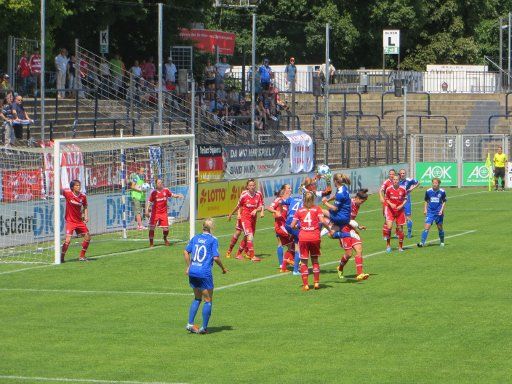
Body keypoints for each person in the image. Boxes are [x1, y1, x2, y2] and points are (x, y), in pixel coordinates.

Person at [184, 218, 227, 335]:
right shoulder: (213, 240)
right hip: (204, 273)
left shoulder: (196, 237)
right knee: (208, 300)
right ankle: (204, 328)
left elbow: (185, 252)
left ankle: (190, 324)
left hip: (193, 271)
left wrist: (189, 266)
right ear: (212, 228)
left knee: (197, 298)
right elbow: (216, 257)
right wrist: (223, 268)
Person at [291, 191, 329, 291]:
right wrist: (329, 229)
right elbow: (322, 221)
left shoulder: (299, 211)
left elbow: (292, 225)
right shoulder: (317, 209)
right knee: (315, 260)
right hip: (315, 237)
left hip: (303, 237)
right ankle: (316, 283)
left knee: (304, 261)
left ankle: (306, 285)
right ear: (313, 200)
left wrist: (298, 226)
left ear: (304, 199)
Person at [332, 189, 370, 282]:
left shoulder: (357, 205)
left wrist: (358, 227)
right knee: (349, 254)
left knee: (359, 250)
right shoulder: (348, 204)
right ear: (357, 198)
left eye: (363, 202)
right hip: (343, 230)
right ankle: (340, 268)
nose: (362, 203)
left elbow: (351, 219)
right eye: (361, 201)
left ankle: (359, 274)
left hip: (351, 229)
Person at [226, 178, 264, 262]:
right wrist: (232, 214)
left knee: (249, 236)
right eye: (250, 185)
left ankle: (240, 253)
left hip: (253, 219)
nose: (252, 187)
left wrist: (258, 210)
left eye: (253, 185)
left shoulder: (258, 194)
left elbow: (261, 205)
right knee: (242, 233)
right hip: (244, 218)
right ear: (247, 186)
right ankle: (250, 255)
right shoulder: (244, 195)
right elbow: (238, 205)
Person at [145, 179, 184, 247]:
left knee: (166, 229)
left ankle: (165, 238)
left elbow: (172, 195)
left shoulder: (166, 190)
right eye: (158, 182)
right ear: (156, 184)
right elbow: (149, 202)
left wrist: (178, 196)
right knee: (152, 228)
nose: (160, 184)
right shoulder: (154, 193)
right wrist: (146, 210)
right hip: (155, 213)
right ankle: (151, 243)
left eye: (161, 182)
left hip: (163, 213)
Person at [61, 179, 91, 263]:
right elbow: (60, 190)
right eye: (77, 185)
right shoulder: (68, 194)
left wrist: (86, 216)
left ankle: (82, 256)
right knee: (67, 240)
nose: (79, 187)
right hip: (70, 221)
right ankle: (61, 257)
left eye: (79, 185)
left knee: (88, 237)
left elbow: (85, 207)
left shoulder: (83, 196)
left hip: (79, 221)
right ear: (72, 187)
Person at [267, 184, 295, 270]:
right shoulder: (279, 200)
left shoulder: (290, 200)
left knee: (282, 244)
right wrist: (275, 211)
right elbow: (269, 207)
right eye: (288, 188)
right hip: (281, 226)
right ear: (284, 190)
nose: (290, 189)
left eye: (291, 188)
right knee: (294, 243)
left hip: (285, 225)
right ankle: (288, 261)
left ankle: (283, 264)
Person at [417, 178, 447, 248]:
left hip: (438, 212)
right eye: (433, 183)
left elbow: (444, 201)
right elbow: (426, 200)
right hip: (430, 212)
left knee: (440, 228)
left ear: (439, 184)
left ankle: (442, 242)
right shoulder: (428, 191)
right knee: (426, 227)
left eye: (436, 183)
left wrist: (441, 210)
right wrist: (425, 209)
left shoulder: (442, 192)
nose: (434, 184)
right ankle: (422, 243)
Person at [384, 175, 407, 252]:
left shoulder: (403, 189)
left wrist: (401, 205)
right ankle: (388, 245)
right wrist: (390, 204)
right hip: (390, 210)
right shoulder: (388, 189)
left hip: (399, 211)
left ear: (399, 180)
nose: (395, 181)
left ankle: (400, 247)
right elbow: (386, 198)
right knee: (389, 227)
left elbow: (405, 199)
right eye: (394, 179)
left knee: (400, 229)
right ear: (392, 180)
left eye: (397, 179)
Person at [398, 168, 419, 238]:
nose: (402, 174)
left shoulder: (409, 180)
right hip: (398, 201)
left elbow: (418, 182)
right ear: (399, 174)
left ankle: (409, 232)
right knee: (399, 217)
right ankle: (400, 233)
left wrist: (411, 189)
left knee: (408, 217)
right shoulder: (397, 181)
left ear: (405, 174)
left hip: (407, 201)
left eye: (404, 173)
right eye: (401, 173)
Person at [379, 169, 396, 240]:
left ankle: (396, 233)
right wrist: (381, 197)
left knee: (395, 219)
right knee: (387, 219)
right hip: (387, 203)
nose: (391, 175)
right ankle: (385, 235)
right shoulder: (386, 182)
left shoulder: (396, 181)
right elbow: (381, 190)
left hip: (395, 203)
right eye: (390, 174)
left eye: (393, 174)